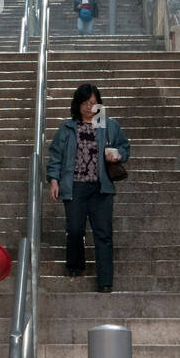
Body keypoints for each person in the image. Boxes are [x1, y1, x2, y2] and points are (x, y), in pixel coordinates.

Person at [46, 82, 130, 290]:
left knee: (103, 233)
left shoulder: (108, 125)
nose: (89, 106)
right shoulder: (68, 127)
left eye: (93, 102)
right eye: (85, 102)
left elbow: (124, 147)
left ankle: (105, 282)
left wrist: (119, 154)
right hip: (74, 187)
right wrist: (54, 180)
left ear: (99, 103)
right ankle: (75, 265)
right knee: (74, 230)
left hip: (101, 189)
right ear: (77, 104)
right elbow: (55, 155)